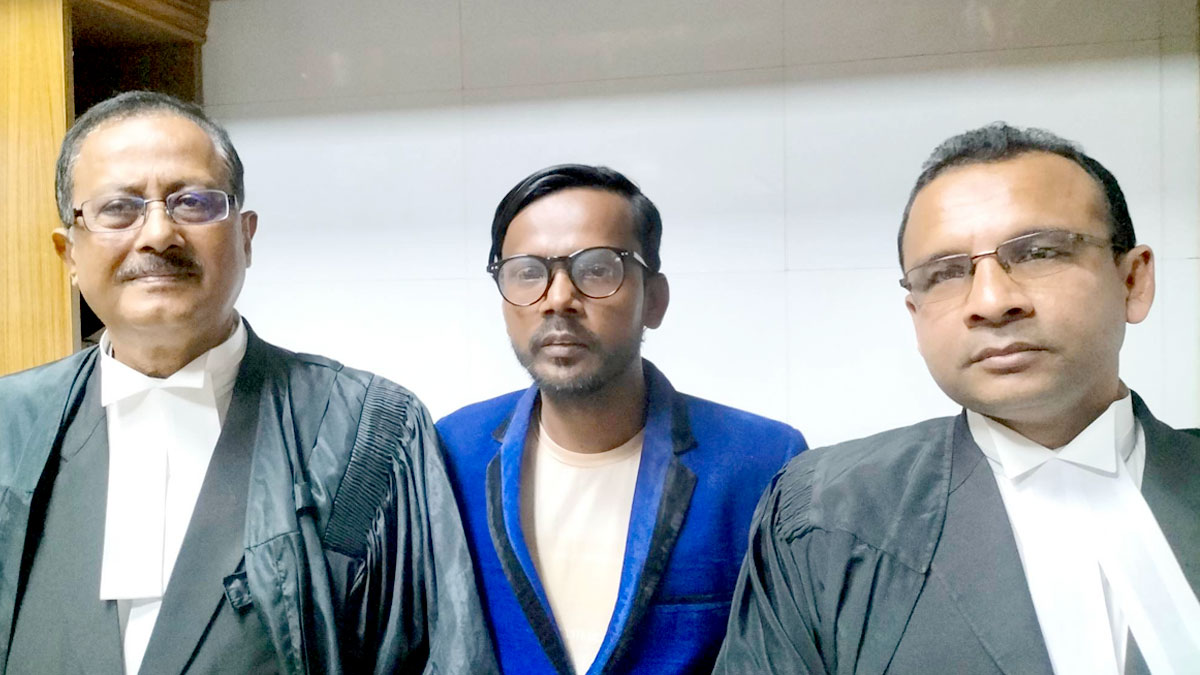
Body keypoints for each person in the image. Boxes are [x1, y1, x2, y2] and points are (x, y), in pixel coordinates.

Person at [0, 91, 496, 675]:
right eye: (118, 208)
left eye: (193, 202)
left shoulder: (371, 431)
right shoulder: (11, 426)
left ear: (246, 236)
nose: (157, 234)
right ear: (69, 254)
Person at [715, 123, 1200, 674]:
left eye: (1039, 252)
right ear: (915, 315)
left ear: (1133, 281)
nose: (990, 302)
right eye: (945, 273)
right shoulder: (823, 513)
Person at [435, 164, 807, 674]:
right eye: (527, 272)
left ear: (654, 299)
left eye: (596, 270)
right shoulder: (450, 453)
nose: (558, 299)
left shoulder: (764, 463)